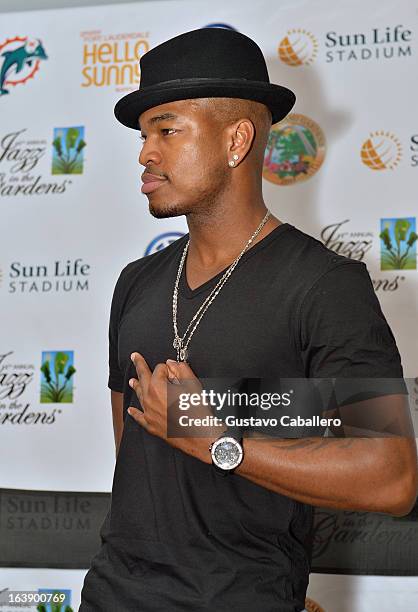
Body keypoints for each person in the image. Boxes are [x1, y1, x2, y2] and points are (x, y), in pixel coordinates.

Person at [79, 28, 417, 612]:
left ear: (236, 140)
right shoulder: (136, 282)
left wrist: (219, 442)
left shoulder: (324, 286)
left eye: (167, 129)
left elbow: (390, 477)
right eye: (143, 135)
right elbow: (132, 456)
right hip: (113, 597)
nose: (144, 152)